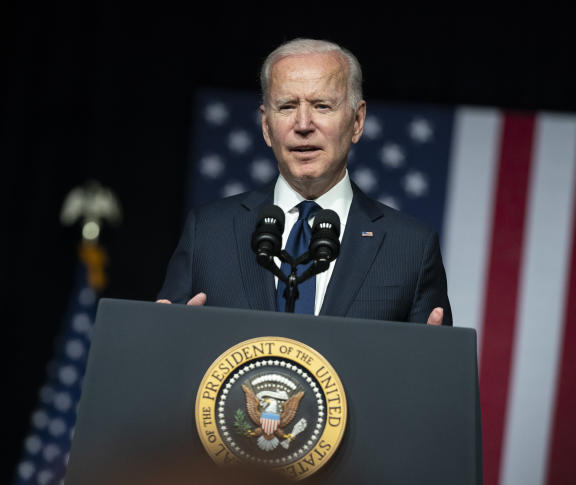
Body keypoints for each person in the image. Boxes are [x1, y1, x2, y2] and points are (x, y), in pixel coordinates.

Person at [157, 38, 451, 326]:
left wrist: (427, 362)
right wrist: (165, 340)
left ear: (357, 121)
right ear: (266, 125)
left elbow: (439, 369)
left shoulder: (410, 248)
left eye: (322, 106)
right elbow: (160, 355)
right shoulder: (208, 233)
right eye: (286, 107)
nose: (303, 125)